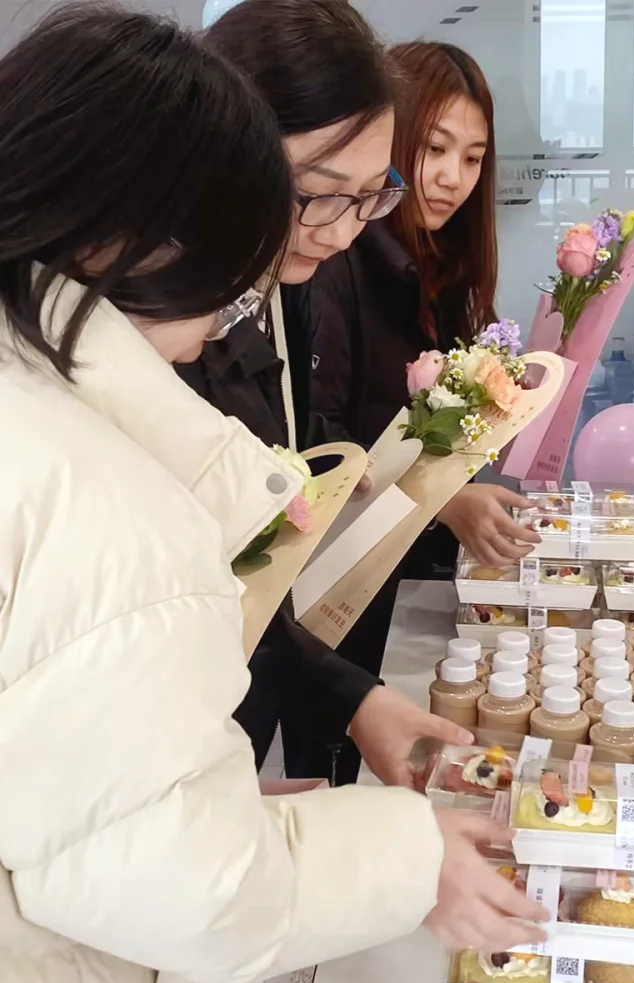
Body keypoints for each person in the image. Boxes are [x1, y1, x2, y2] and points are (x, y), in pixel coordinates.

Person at [0, 5, 546, 983]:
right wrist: (409, 854)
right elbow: (162, 875)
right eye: (304, 202)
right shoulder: (95, 483)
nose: (317, 241)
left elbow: (74, 782)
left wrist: (238, 797)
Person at [179, 0, 468, 785]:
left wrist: (355, 699)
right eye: (320, 193)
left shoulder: (300, 278)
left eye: (371, 195)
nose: (344, 231)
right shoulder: (171, 328)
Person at [301, 41, 535, 778]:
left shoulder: (445, 268)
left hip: (400, 573)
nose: (452, 177)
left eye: (472, 158)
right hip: (334, 588)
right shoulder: (336, 259)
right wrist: (445, 501)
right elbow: (320, 441)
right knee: (338, 774)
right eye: (434, 148)